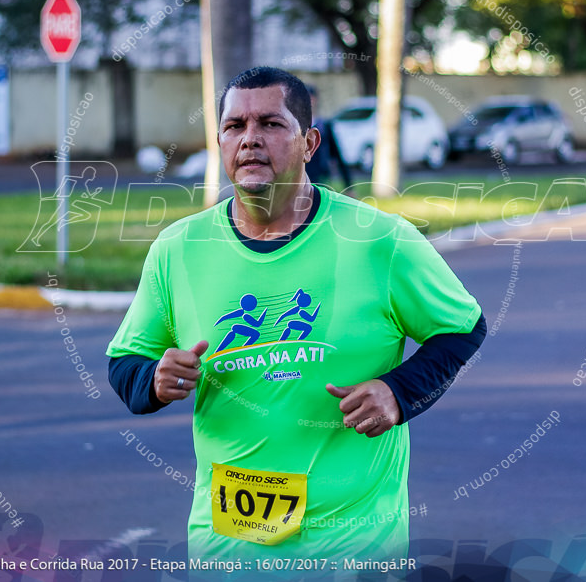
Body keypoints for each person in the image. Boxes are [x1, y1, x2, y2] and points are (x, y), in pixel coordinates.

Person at [106, 67, 485, 574]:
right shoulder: (179, 249)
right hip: (228, 550)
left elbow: (462, 327)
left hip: (357, 548)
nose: (250, 140)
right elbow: (124, 361)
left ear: (309, 142)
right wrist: (153, 380)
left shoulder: (379, 240)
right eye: (234, 126)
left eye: (270, 124)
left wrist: (400, 391)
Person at [303, 84, 354, 189]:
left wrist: (348, 186)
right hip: (301, 173)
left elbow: (337, 155)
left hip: (320, 175)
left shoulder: (324, 126)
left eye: (311, 98)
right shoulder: (295, 126)